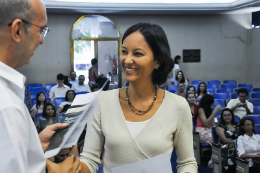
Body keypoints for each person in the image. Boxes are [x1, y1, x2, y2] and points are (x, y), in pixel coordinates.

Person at [80, 23, 197, 173]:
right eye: (124, 52)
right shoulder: (102, 101)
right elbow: (90, 159)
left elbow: (187, 163)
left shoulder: (178, 106)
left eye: (138, 53)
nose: (127, 60)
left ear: (157, 62)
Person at [0, 0, 80, 172]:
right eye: (41, 30)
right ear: (18, 30)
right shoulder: (6, 106)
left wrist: (33, 144)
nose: (42, 40)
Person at [216, 108, 239, 173]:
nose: (227, 117)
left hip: (237, 144)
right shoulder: (219, 126)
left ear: (232, 116)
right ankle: (230, 168)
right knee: (234, 148)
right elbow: (224, 140)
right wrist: (236, 142)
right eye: (225, 115)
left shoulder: (237, 125)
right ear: (222, 117)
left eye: (229, 115)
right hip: (225, 145)